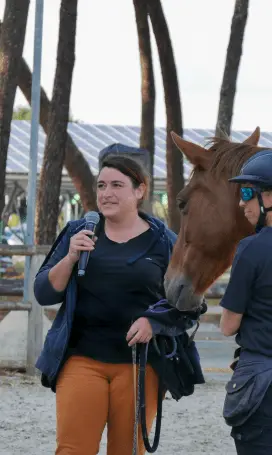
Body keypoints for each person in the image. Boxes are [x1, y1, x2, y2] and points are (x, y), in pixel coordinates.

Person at [34, 154, 203, 455]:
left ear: (139, 190)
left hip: (140, 364)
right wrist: (70, 258)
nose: (106, 193)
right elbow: (44, 293)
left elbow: (189, 305)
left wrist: (154, 322)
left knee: (127, 450)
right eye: (101, 185)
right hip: (81, 359)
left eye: (116, 185)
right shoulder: (78, 232)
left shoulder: (164, 241)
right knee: (73, 449)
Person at [220, 150, 272, 454]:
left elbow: (228, 325)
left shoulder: (251, 248)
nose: (242, 202)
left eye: (248, 192)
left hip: (263, 385)